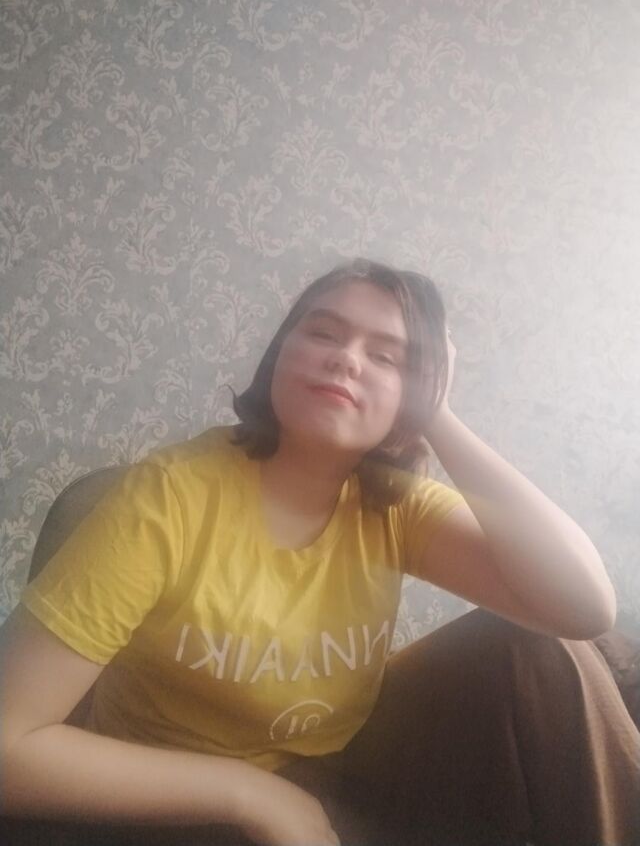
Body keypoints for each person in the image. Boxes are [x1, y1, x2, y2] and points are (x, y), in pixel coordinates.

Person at [1, 258, 638, 846]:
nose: (346, 360)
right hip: (181, 792)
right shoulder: (166, 498)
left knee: (540, 649)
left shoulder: (395, 504)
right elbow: (8, 749)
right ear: (281, 354)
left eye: (387, 357)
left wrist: (438, 417)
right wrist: (248, 794)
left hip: (346, 766)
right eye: (324, 333)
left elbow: (583, 608)